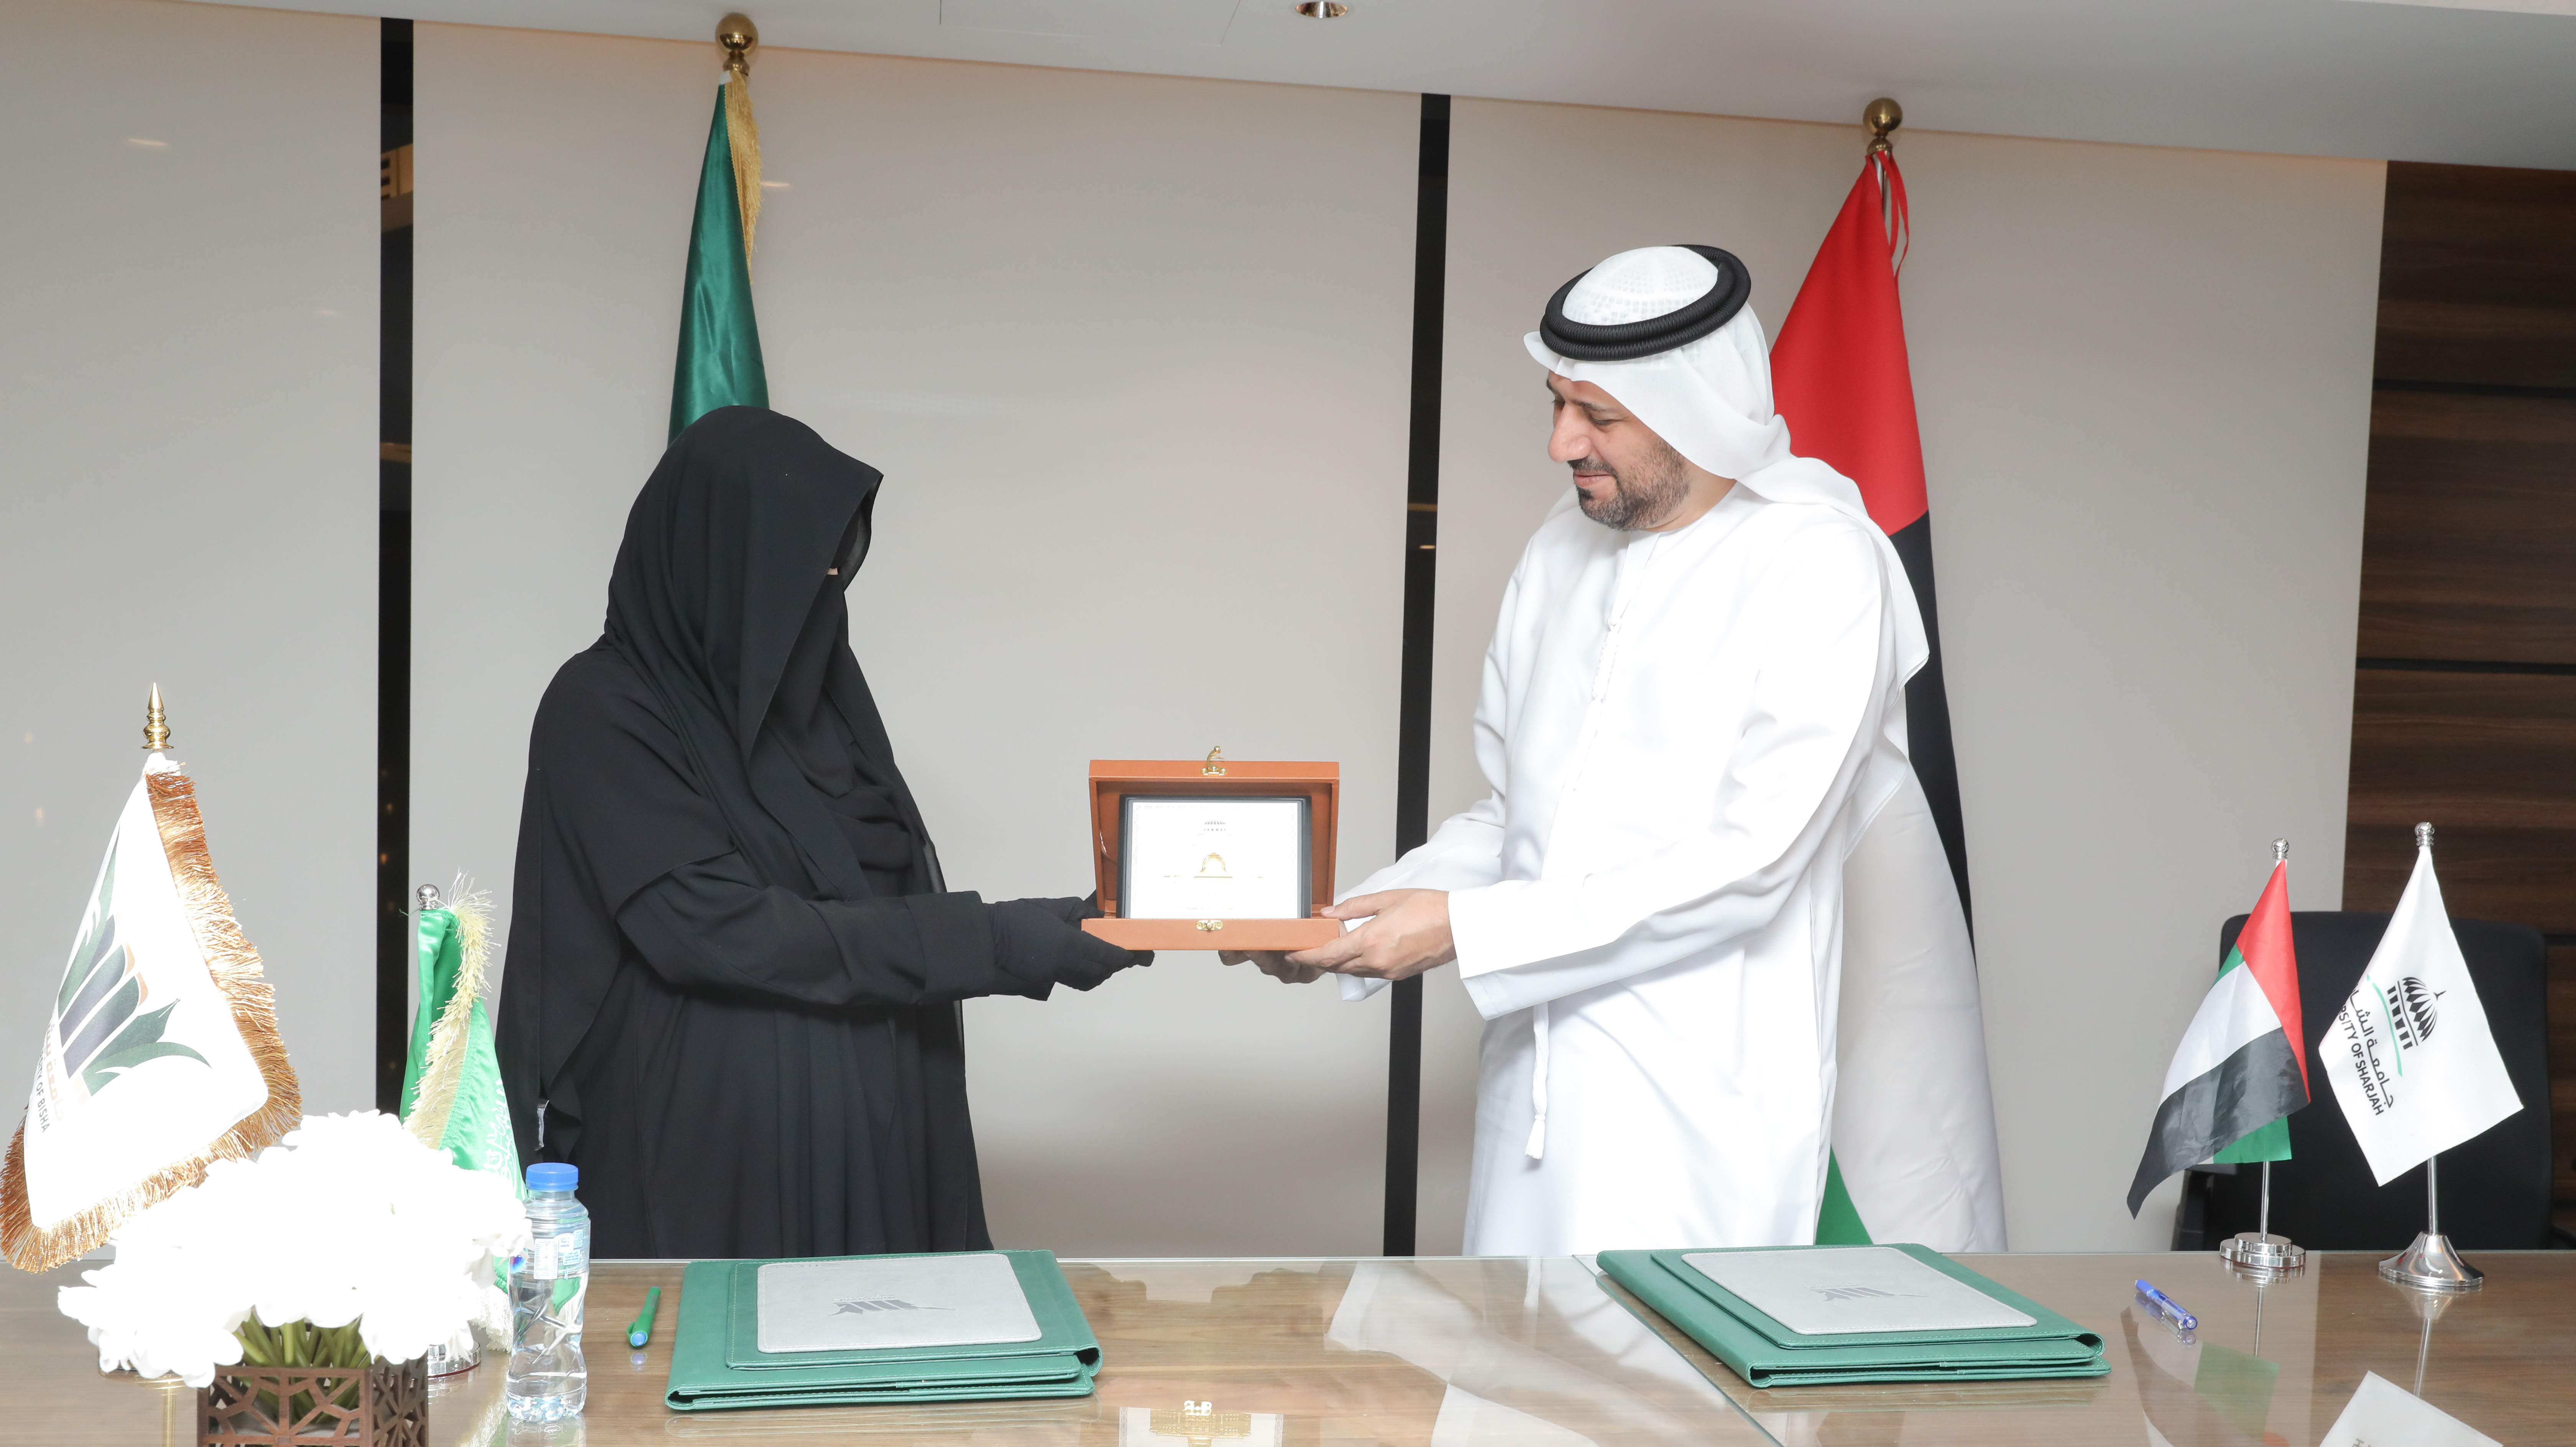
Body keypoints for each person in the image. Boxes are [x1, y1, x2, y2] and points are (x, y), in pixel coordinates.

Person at [1234, 245, 2004, 1255]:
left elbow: (1755, 861)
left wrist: (1466, 931)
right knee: (1510, 1394)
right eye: (1556, 403)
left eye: (1597, 416)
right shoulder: (1559, 550)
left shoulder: (1818, 563)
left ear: (1697, 408)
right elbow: (1518, 818)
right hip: (1533, 1098)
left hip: (1704, 1116)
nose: (1562, 442)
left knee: (1678, 1406)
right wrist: (1355, 923)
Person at [499, 406, 1150, 1259]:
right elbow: (718, 931)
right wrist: (998, 939)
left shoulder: (818, 705)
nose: (824, 583)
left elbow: (879, 891)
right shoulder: (602, 708)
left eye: (836, 562)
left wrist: (1061, 924)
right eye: (795, 565)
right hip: (711, 1171)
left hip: (878, 1140)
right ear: (715, 563)